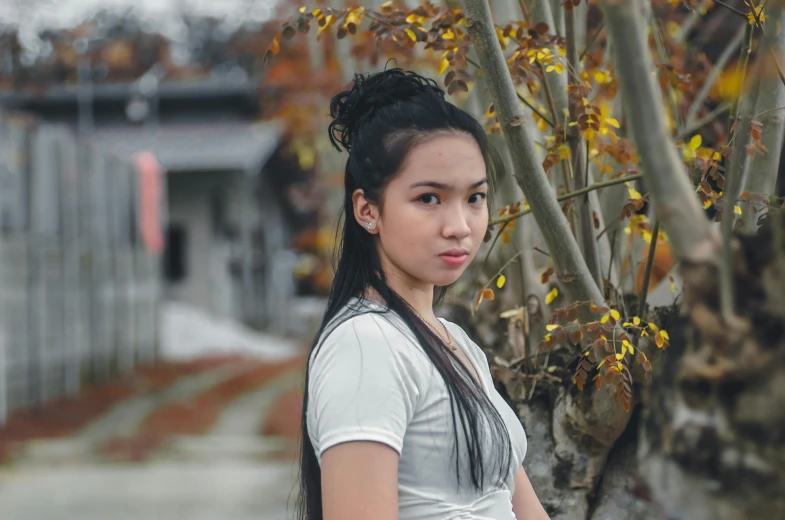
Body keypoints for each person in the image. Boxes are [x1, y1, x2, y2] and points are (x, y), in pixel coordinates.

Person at [297, 68, 550, 520]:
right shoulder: (366, 347)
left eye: (475, 198)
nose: (460, 226)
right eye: (429, 198)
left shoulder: (455, 341)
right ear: (367, 210)